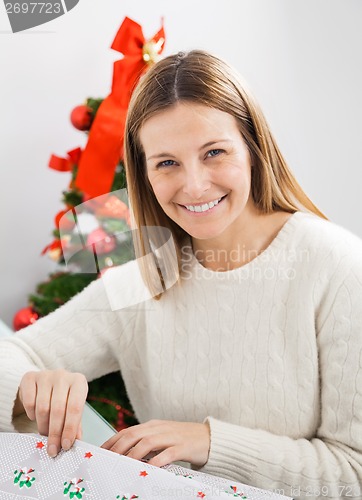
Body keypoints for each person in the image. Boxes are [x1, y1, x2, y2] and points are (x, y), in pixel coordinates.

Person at [1, 49, 362, 498]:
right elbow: (12, 356)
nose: (194, 185)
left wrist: (208, 442)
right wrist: (29, 386)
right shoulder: (144, 277)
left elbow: (354, 472)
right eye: (167, 163)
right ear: (146, 174)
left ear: (252, 149)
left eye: (214, 152)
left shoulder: (338, 268)